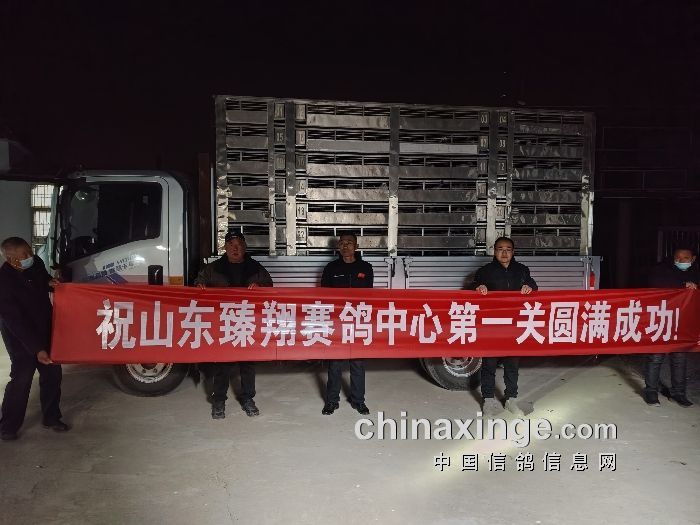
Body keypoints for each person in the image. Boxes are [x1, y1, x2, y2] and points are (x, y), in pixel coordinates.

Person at [195, 232, 273, 419]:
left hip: (247, 321)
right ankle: (219, 400)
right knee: (223, 363)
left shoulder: (255, 268)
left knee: (248, 363)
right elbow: (199, 282)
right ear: (225, 247)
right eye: (231, 244)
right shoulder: (213, 268)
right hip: (224, 322)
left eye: (239, 244)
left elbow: (270, 286)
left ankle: (248, 399)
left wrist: (260, 287)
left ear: (245, 247)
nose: (235, 248)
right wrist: (199, 286)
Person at [0, 237, 69, 441]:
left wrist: (50, 283)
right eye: (25, 255)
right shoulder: (3, 282)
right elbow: (16, 321)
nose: (30, 256)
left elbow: (42, 279)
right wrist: (37, 348)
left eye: (30, 251)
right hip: (19, 337)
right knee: (22, 378)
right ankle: (8, 426)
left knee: (52, 374)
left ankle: (51, 417)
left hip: (44, 326)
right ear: (12, 260)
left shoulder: (35, 263)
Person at [473, 236, 538, 417]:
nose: (504, 253)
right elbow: (473, 286)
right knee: (489, 363)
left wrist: (529, 287)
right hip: (492, 325)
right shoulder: (485, 271)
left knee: (512, 363)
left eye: (508, 249)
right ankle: (488, 399)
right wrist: (479, 287)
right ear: (494, 251)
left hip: (514, 324)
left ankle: (511, 398)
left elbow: (533, 285)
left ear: (513, 252)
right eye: (500, 249)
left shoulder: (522, 270)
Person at [320, 231, 374, 415]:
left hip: (358, 321)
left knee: (357, 362)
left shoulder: (366, 268)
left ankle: (358, 400)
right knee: (335, 363)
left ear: (356, 246)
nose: (345, 246)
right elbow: (324, 296)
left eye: (349, 242)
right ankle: (331, 401)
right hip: (337, 322)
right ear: (338, 246)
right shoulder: (331, 269)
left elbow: (369, 296)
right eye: (342, 242)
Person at [642, 246, 698, 407]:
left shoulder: (696, 272)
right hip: (662, 319)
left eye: (685, 258)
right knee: (656, 356)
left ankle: (678, 393)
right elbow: (655, 283)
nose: (680, 261)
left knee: (680, 357)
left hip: (683, 321)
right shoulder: (662, 270)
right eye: (677, 258)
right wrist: (683, 285)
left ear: (693, 259)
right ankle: (651, 391)